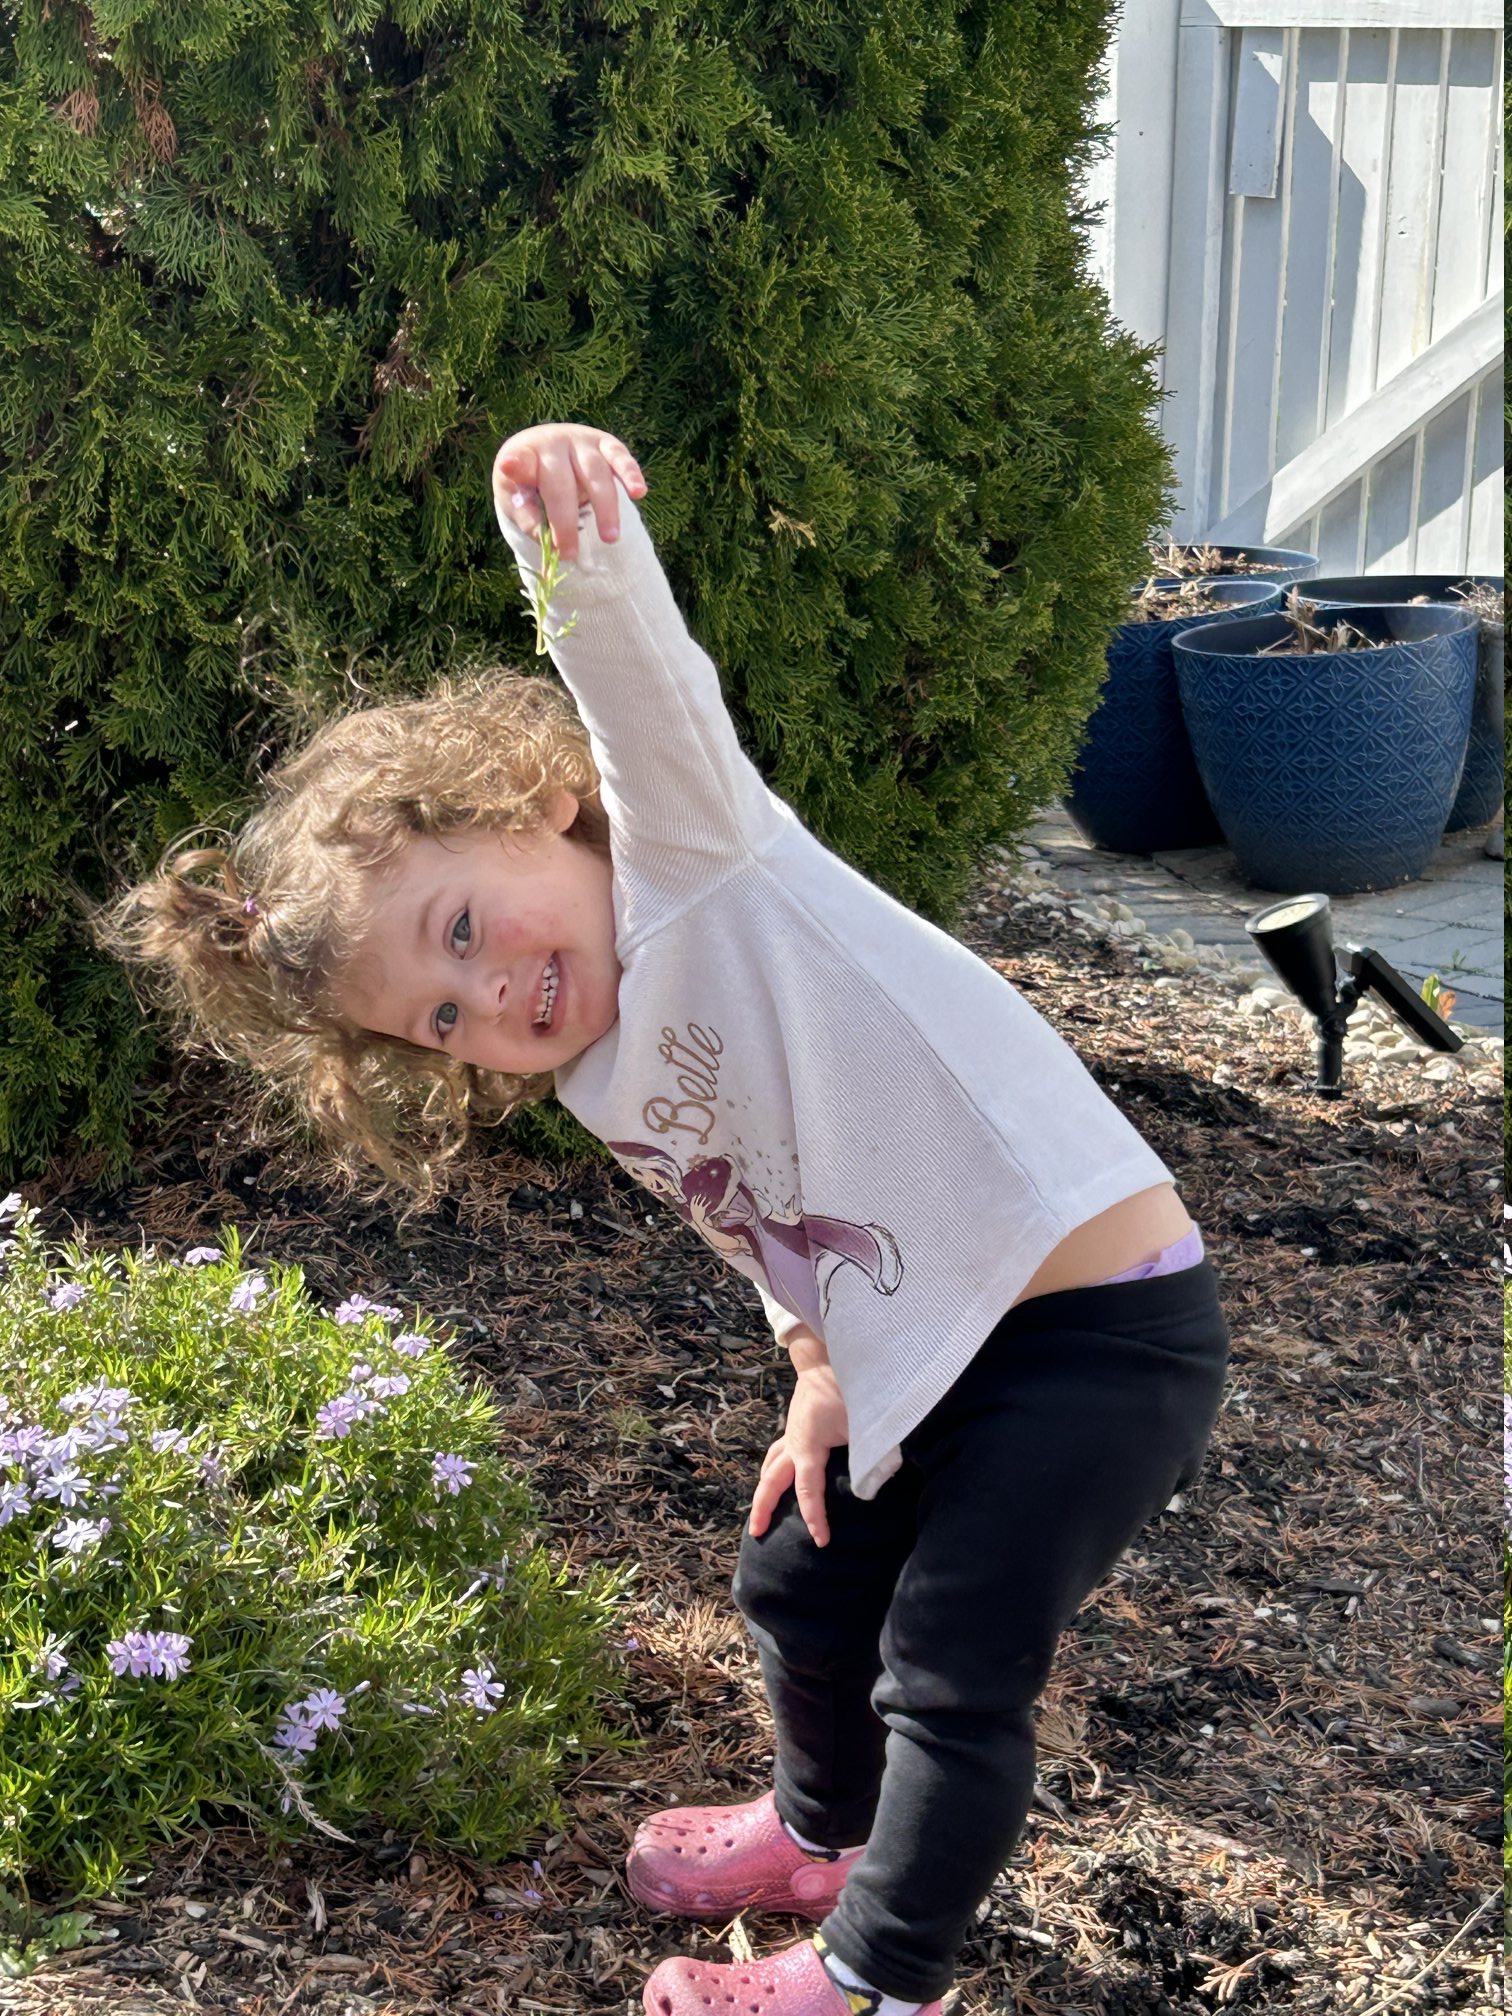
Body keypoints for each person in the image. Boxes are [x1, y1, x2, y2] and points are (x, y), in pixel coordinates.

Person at [98, 423, 1231, 2016]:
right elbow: (760, 1211)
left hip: (1092, 1335)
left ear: (537, 802)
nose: (490, 993)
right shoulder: (593, 1073)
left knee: (951, 1662)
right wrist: (817, 1370)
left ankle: (877, 1979)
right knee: (799, 1576)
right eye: (440, 1015)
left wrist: (559, 527)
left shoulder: (701, 864)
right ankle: (827, 1835)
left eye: (467, 928)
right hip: (926, 1352)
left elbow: (644, 685)